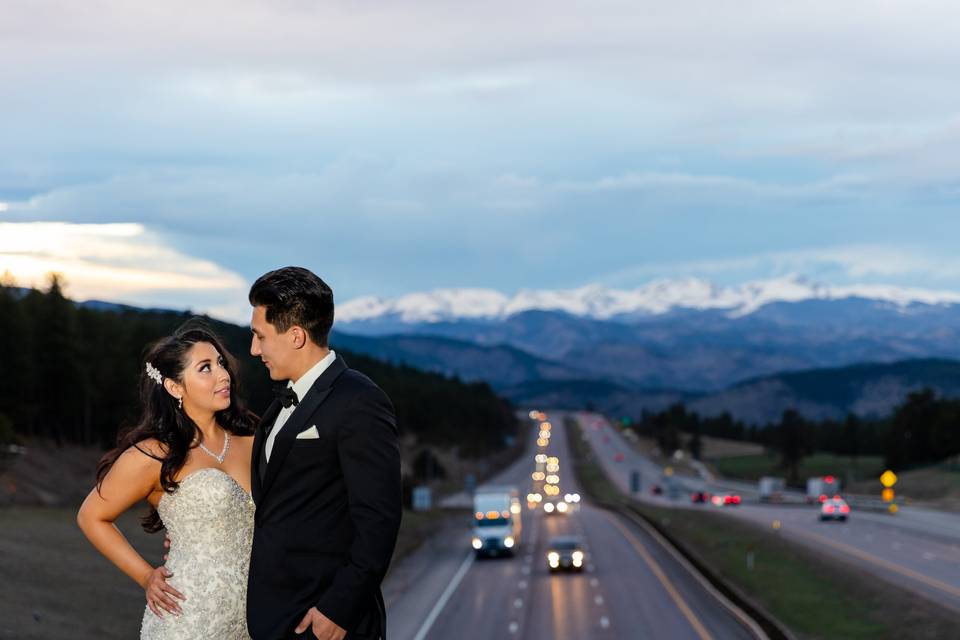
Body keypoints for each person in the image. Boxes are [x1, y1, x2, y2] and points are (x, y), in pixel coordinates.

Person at [246, 266, 402, 640]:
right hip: (276, 617)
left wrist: (338, 610)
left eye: (260, 336)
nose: (254, 349)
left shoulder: (359, 401)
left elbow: (379, 519)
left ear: (296, 336)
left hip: (326, 623)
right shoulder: (277, 406)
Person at [77, 321, 258, 639]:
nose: (223, 374)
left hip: (255, 620)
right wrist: (146, 576)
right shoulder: (156, 454)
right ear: (175, 387)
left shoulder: (253, 441)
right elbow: (92, 516)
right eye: (205, 368)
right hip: (186, 620)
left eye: (220, 363)